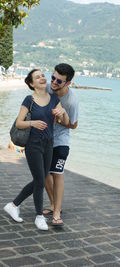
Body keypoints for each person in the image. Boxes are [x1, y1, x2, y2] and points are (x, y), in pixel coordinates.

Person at [4, 69, 69, 230]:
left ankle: (13, 205)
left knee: (39, 180)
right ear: (32, 84)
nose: (42, 78)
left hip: (49, 144)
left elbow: (66, 122)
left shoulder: (54, 99)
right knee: (40, 180)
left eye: (42, 75)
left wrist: (63, 112)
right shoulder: (29, 100)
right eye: (37, 77)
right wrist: (32, 123)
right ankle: (39, 216)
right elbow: (19, 123)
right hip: (33, 145)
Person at [44, 63, 78, 226]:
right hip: (44, 138)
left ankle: (56, 213)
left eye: (59, 81)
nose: (54, 82)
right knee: (43, 173)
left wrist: (61, 117)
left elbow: (74, 125)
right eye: (53, 77)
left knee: (57, 173)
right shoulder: (48, 89)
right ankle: (52, 204)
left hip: (61, 141)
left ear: (68, 83)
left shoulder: (71, 101)